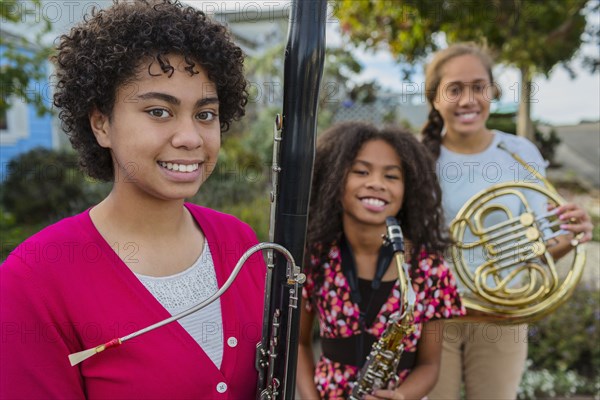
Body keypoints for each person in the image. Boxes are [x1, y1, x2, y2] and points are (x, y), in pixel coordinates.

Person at [0, 1, 267, 398]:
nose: (191, 137)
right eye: (159, 111)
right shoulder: (34, 279)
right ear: (101, 124)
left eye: (205, 114)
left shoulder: (241, 243)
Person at [421, 42, 594, 400]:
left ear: (492, 91)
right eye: (454, 89)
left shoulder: (519, 152)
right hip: (435, 315)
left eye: (479, 87)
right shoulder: (419, 158)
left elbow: (545, 244)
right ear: (435, 98)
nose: (469, 99)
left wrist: (574, 235)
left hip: (503, 314)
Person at [296, 121, 466, 399]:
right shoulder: (314, 258)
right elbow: (300, 344)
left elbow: (430, 365)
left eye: (392, 176)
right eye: (361, 171)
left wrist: (400, 396)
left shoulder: (431, 269)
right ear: (335, 180)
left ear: (408, 188)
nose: (376, 183)